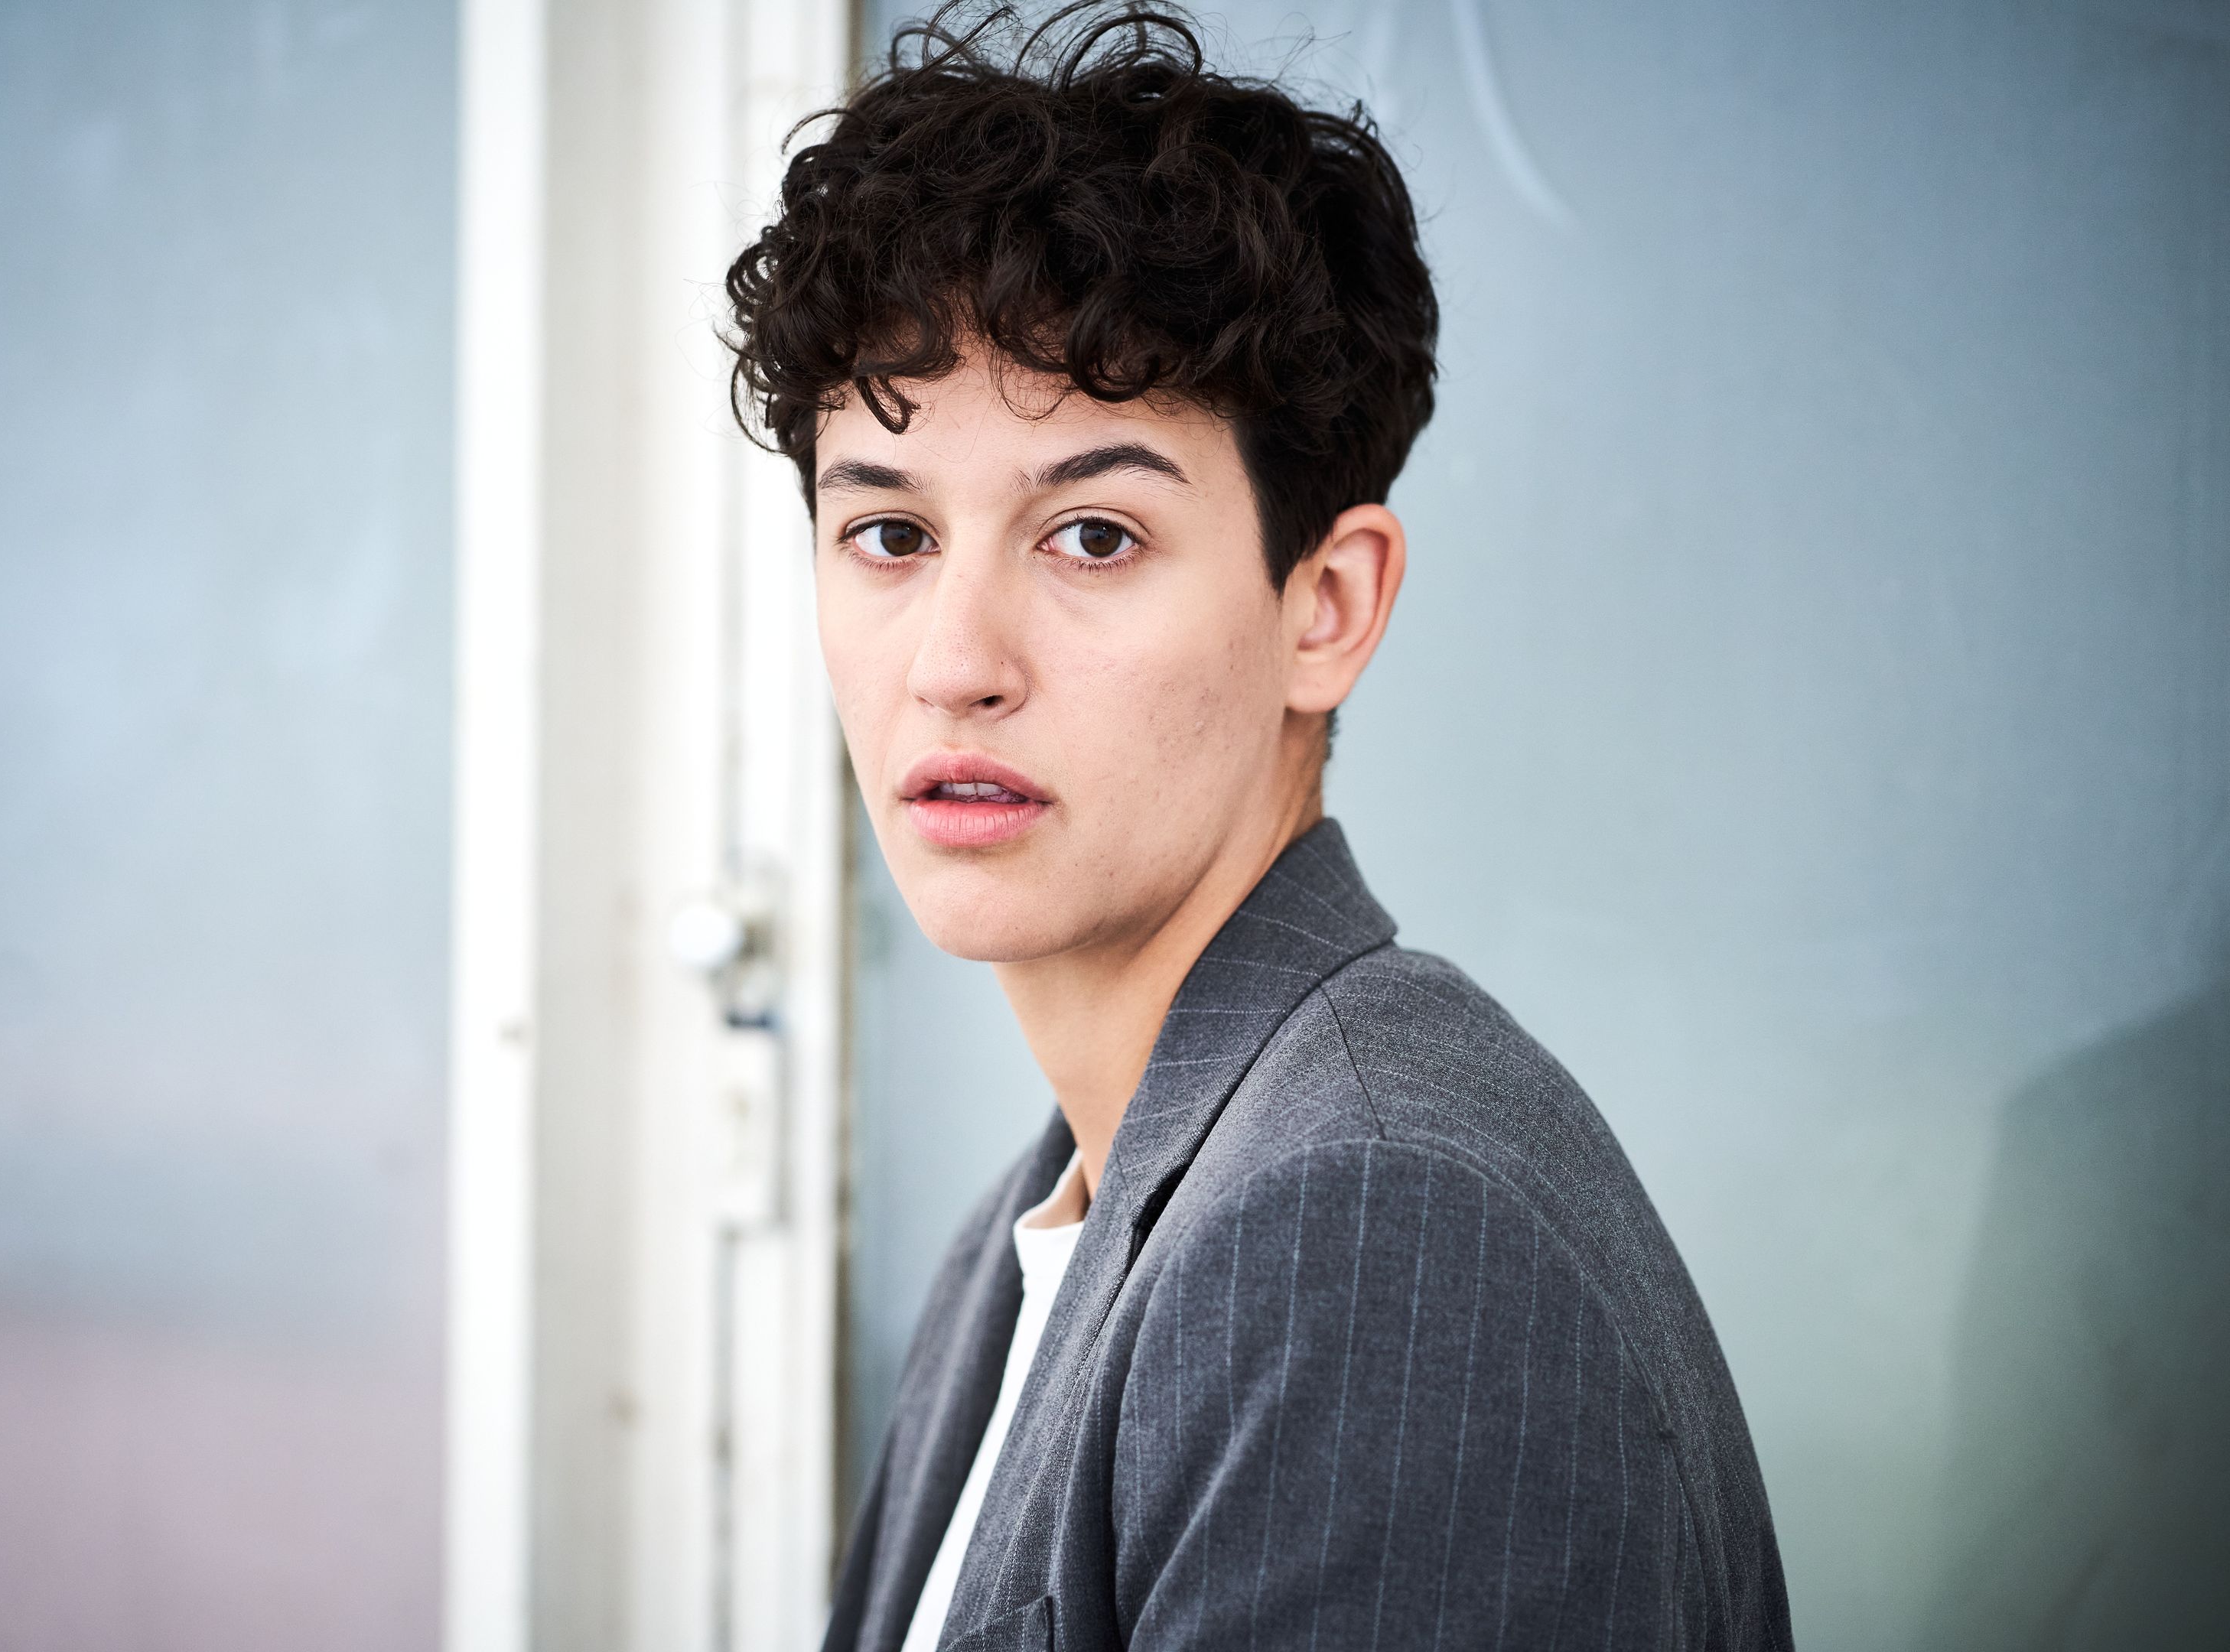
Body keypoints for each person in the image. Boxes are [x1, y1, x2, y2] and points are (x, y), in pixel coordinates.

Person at [724, 5, 1792, 1647]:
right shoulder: (1045, 1224)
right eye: (889, 535)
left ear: (1328, 606)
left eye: (1092, 535)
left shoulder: (1377, 1229)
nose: (953, 665)